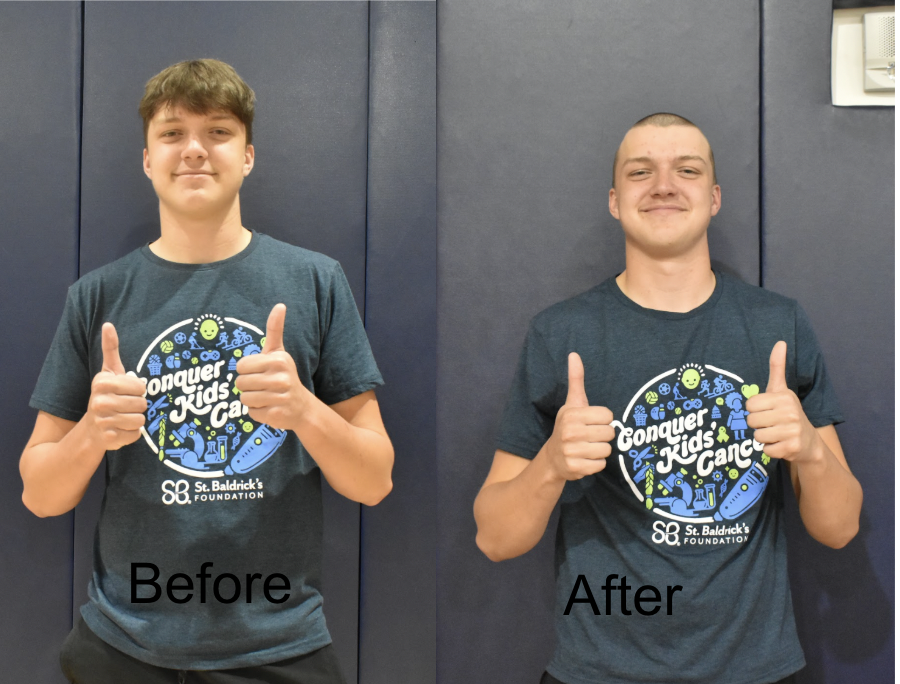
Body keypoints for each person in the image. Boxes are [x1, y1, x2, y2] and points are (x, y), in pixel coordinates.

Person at [20, 59, 393, 684]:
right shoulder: (96, 297)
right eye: (172, 133)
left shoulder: (315, 281)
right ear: (147, 159)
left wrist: (302, 409)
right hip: (122, 649)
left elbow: (375, 480)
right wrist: (92, 432)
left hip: (280, 646)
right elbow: (40, 495)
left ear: (248, 156)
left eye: (218, 132)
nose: (194, 149)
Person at [473, 113, 862, 684]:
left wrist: (808, 449)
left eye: (686, 169)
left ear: (714, 197)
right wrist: (552, 466)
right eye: (640, 172)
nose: (663, 185)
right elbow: (494, 539)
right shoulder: (560, 335)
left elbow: (840, 528)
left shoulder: (778, 324)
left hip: (756, 670)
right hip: (598, 670)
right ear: (614, 200)